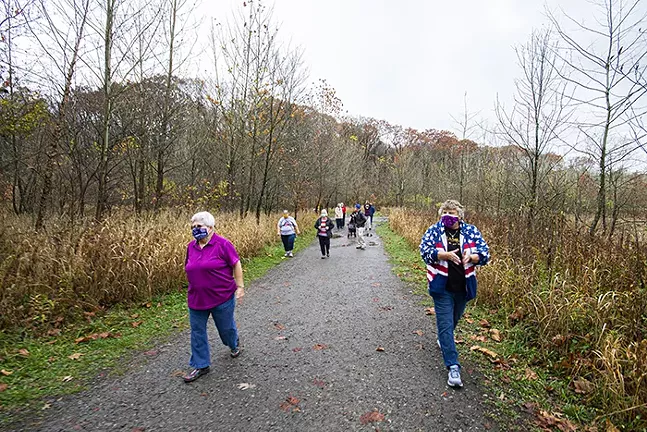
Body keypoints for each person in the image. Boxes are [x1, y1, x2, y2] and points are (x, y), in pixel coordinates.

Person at [419, 200, 490, 388]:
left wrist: (472, 257)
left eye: (452, 212)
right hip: (442, 286)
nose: (448, 216)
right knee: (445, 323)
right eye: (445, 213)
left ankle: (444, 338)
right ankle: (453, 367)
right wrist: (443, 255)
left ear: (460, 215)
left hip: (464, 286)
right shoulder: (434, 231)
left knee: (454, 319)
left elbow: (485, 253)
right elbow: (424, 252)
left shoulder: (471, 231)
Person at [183, 211, 245, 383]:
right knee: (197, 332)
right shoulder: (191, 246)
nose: (195, 229)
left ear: (210, 227)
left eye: (199, 226)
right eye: (193, 227)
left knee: (226, 329)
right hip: (196, 298)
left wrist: (240, 286)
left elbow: (236, 263)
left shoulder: (223, 244)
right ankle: (201, 365)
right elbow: (189, 266)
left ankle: (233, 343)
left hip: (221, 297)